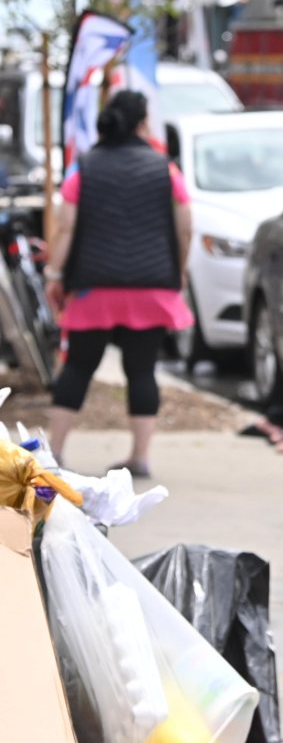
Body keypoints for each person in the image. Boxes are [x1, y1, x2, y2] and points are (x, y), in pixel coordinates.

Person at [42, 91, 193, 478]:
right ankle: (140, 457)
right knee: (142, 371)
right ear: (143, 123)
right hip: (151, 288)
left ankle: (55, 451)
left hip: (94, 287)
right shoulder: (166, 169)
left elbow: (65, 226)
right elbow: (185, 226)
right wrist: (178, 269)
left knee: (77, 367)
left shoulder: (84, 168)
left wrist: (56, 274)